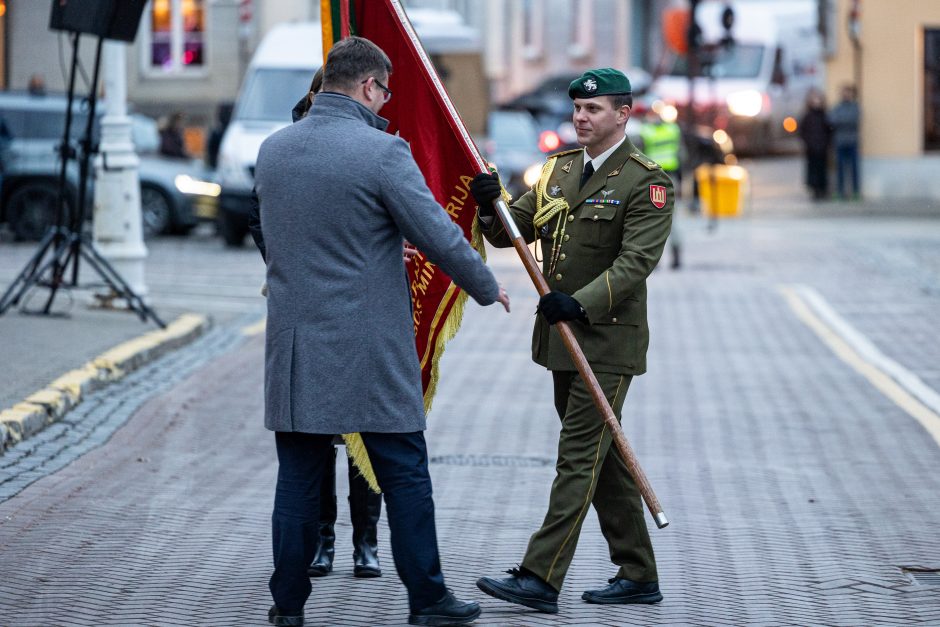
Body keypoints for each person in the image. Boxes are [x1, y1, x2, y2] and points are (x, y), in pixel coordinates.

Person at [254, 36, 510, 627]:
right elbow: (436, 232)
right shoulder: (382, 152)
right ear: (369, 85)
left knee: (296, 481)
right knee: (404, 474)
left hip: (295, 346)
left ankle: (287, 607)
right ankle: (428, 600)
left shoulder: (273, 150)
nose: (385, 103)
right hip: (370, 347)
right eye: (384, 92)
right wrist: (483, 282)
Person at [470, 68, 672, 614]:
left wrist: (581, 301)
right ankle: (638, 573)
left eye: (594, 110)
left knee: (577, 458)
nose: (581, 118)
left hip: (606, 340)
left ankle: (540, 576)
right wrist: (490, 200)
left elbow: (636, 263)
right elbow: (510, 231)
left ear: (623, 114)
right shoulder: (558, 171)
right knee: (603, 460)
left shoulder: (646, 181)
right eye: (578, 110)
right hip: (562, 339)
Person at [247, 67, 385, 581]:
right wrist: (286, 264)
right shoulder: (285, 144)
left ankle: (366, 540)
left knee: (364, 433)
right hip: (305, 309)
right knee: (314, 435)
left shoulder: (373, 138)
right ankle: (324, 539)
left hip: (363, 310)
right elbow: (258, 216)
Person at [638, 103, 683, 268]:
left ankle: (652, 260)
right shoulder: (673, 129)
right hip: (671, 178)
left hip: (653, 180)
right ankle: (676, 259)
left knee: (652, 219)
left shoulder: (645, 131)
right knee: (672, 218)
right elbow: (682, 154)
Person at [799, 89, 832, 201]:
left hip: (822, 147)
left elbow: (829, 131)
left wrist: (827, 143)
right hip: (811, 148)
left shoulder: (824, 115)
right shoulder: (807, 116)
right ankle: (814, 189)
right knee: (812, 169)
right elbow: (802, 131)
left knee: (822, 169)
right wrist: (808, 143)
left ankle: (823, 189)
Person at [829, 84, 861, 200]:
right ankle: (840, 192)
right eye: (844, 92)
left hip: (852, 141)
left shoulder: (855, 107)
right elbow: (831, 120)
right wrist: (844, 120)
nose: (846, 94)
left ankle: (856, 192)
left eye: (848, 92)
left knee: (854, 169)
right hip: (840, 142)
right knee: (840, 169)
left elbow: (854, 119)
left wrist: (842, 120)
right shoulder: (837, 107)